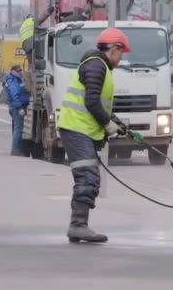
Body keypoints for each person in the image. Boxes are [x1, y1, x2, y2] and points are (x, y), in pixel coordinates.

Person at [57, 28, 131, 243]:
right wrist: (108, 124)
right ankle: (78, 225)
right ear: (114, 49)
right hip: (77, 128)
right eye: (122, 52)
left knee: (88, 176)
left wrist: (117, 124)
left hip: (82, 129)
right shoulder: (96, 66)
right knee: (88, 176)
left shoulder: (99, 66)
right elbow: (91, 102)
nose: (122, 57)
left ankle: (78, 225)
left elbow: (99, 104)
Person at [4, 65, 30, 156]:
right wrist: (19, 107)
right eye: (18, 71)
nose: (20, 72)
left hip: (17, 106)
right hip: (16, 108)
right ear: (13, 71)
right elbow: (14, 94)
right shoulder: (13, 80)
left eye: (20, 70)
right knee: (18, 129)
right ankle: (15, 150)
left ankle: (17, 149)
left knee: (16, 128)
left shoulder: (17, 79)